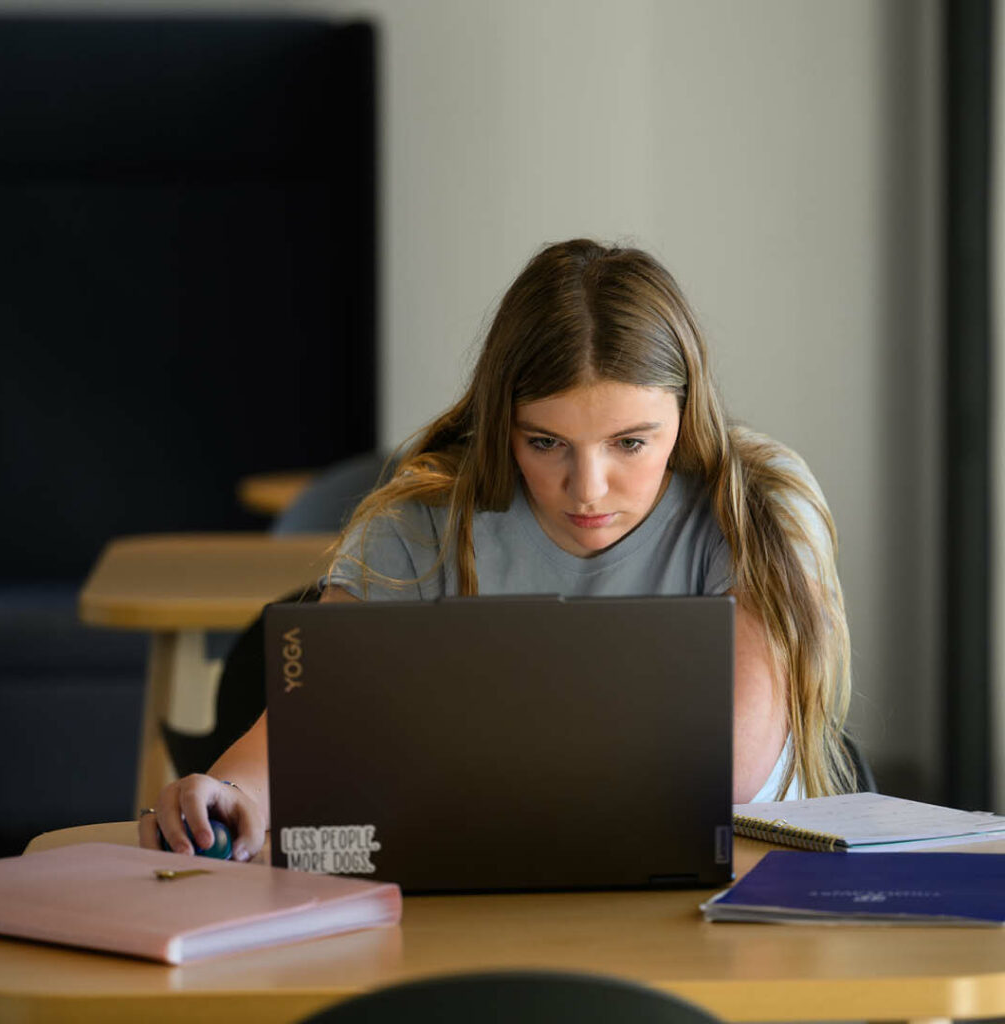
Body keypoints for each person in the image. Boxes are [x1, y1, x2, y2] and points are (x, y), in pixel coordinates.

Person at [140, 238, 855, 862]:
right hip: (487, 898)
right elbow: (306, 733)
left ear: (687, 413)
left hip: (737, 892)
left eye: (631, 443)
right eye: (545, 443)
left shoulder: (757, 502)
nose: (587, 489)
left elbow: (725, 774)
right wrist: (231, 794)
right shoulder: (418, 520)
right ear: (499, 424)